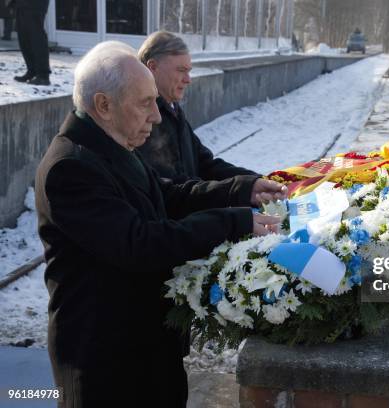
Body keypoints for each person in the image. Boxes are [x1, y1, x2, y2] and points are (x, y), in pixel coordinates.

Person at [35, 41, 280, 408]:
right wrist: (231, 223)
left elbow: (168, 195)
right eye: (144, 103)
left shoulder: (110, 146)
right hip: (106, 363)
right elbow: (139, 243)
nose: (156, 116)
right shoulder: (70, 167)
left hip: (145, 346)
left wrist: (241, 190)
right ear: (103, 105)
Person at [137, 31, 282, 203]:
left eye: (189, 71)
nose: (188, 80)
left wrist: (256, 180)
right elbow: (174, 190)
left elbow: (205, 164)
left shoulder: (172, 108)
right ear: (152, 67)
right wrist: (241, 190)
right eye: (181, 70)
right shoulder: (144, 120)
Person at [13, 0, 51, 85]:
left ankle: (43, 75)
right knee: (24, 38)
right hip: (22, 4)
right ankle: (32, 70)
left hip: (35, 5)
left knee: (36, 38)